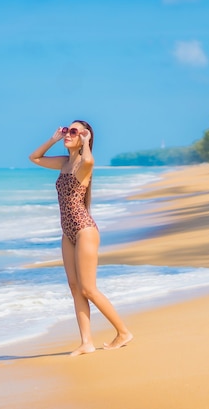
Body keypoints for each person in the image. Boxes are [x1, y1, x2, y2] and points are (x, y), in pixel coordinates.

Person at [29, 120, 133, 356]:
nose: (68, 133)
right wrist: (53, 139)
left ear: (83, 136)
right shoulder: (64, 163)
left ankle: (123, 332)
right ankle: (86, 341)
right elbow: (34, 158)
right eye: (67, 130)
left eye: (73, 132)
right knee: (75, 287)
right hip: (67, 232)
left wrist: (85, 143)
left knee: (89, 289)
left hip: (84, 229)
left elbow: (89, 160)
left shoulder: (84, 164)